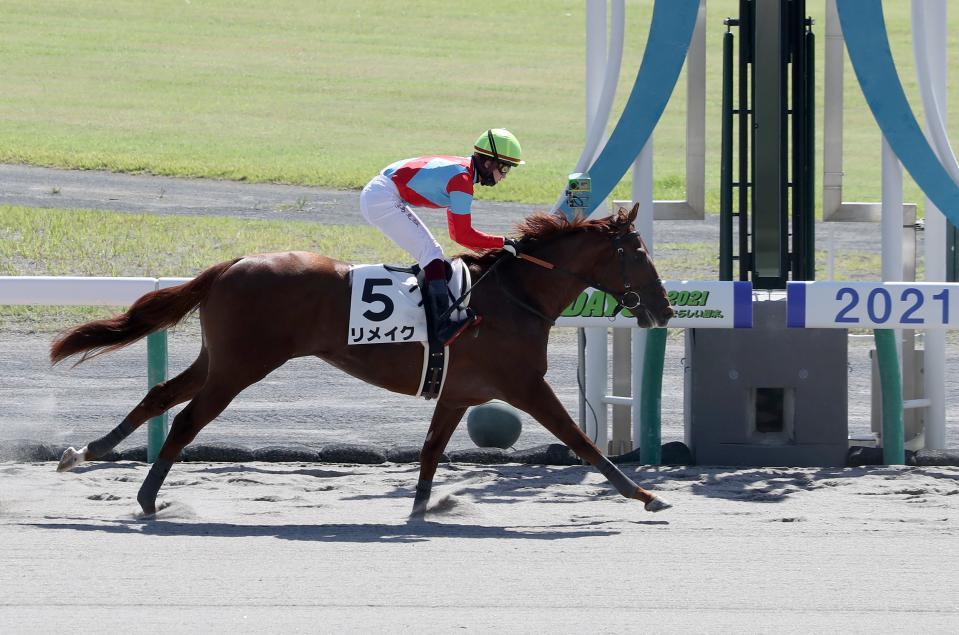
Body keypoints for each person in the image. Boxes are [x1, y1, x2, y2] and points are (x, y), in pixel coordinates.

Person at [360, 128, 524, 347]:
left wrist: (499, 243)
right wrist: (502, 243)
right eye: (503, 168)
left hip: (382, 192)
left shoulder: (464, 171)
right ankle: (439, 327)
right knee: (432, 255)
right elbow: (462, 235)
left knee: (433, 254)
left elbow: (458, 232)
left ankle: (434, 315)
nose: (504, 175)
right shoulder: (462, 179)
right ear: (487, 163)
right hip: (382, 197)